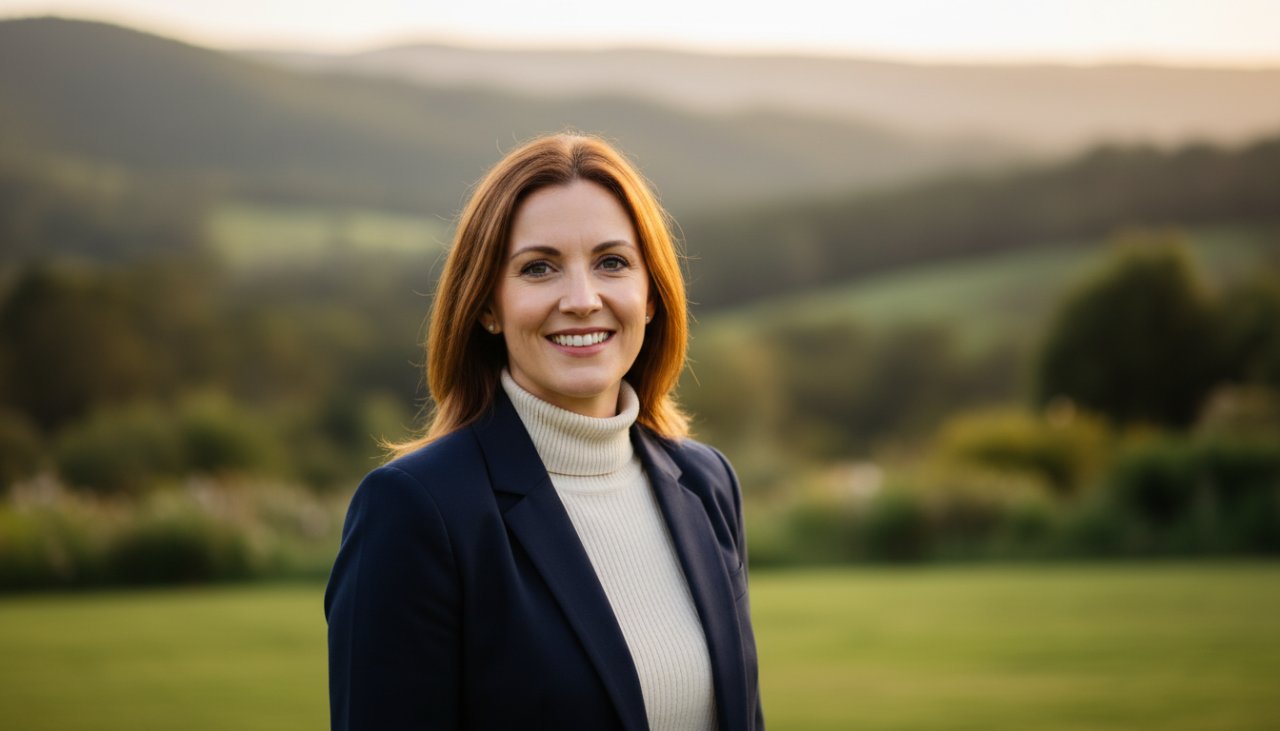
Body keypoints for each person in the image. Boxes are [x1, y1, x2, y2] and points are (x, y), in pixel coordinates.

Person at [324, 133, 763, 731]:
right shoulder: (416, 511)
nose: (582, 300)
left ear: (652, 294)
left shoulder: (706, 482)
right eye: (539, 268)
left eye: (612, 262)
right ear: (487, 306)